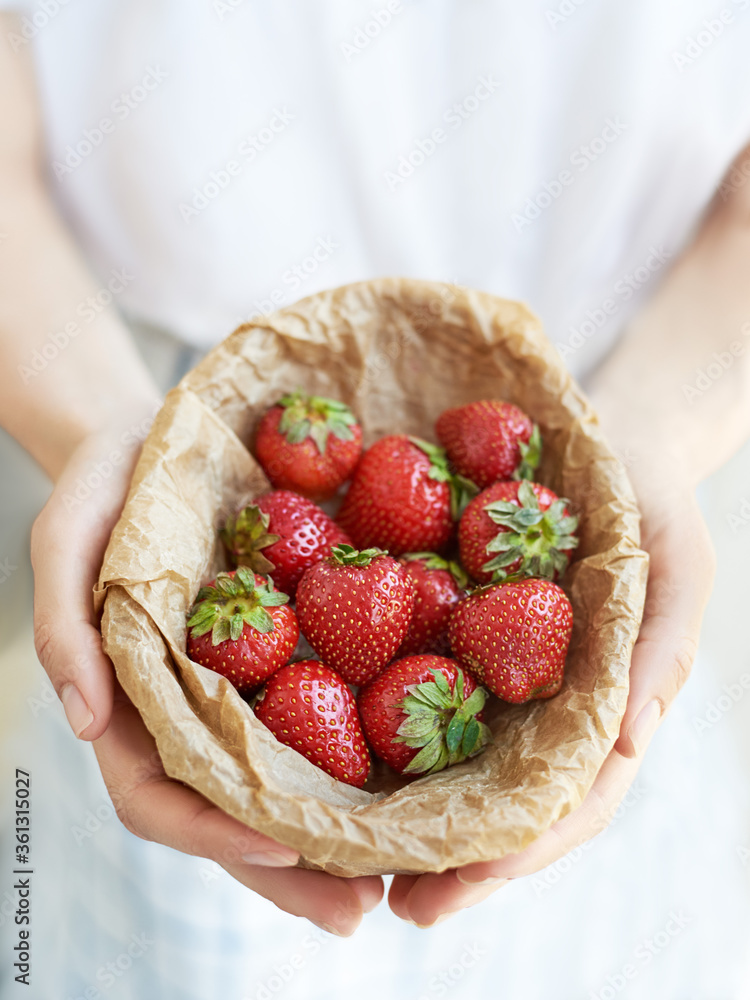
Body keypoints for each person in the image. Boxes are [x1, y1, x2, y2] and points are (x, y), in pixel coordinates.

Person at [1, 1, 749, 995]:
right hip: (156, 409)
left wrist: (651, 430)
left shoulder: (497, 537)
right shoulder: (319, 532)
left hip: (609, 412)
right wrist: (93, 418)